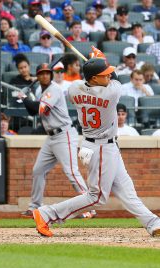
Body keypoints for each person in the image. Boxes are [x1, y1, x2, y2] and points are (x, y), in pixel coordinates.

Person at [32, 51, 160, 238]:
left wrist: (97, 64)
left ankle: (153, 223)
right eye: (104, 74)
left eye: (108, 72)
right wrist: (100, 58)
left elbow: (87, 82)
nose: (108, 75)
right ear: (94, 78)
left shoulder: (75, 88)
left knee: (126, 190)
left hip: (100, 145)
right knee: (97, 197)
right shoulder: (111, 92)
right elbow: (115, 79)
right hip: (101, 148)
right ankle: (46, 214)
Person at [17, 63, 95, 219]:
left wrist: (24, 98)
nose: (45, 75)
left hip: (64, 134)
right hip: (51, 137)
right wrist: (28, 97)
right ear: (37, 76)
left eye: (47, 73)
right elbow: (34, 110)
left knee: (71, 172)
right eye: (42, 73)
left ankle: (90, 207)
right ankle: (35, 207)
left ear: (51, 75)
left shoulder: (54, 89)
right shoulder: (42, 90)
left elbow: (38, 110)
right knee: (38, 170)